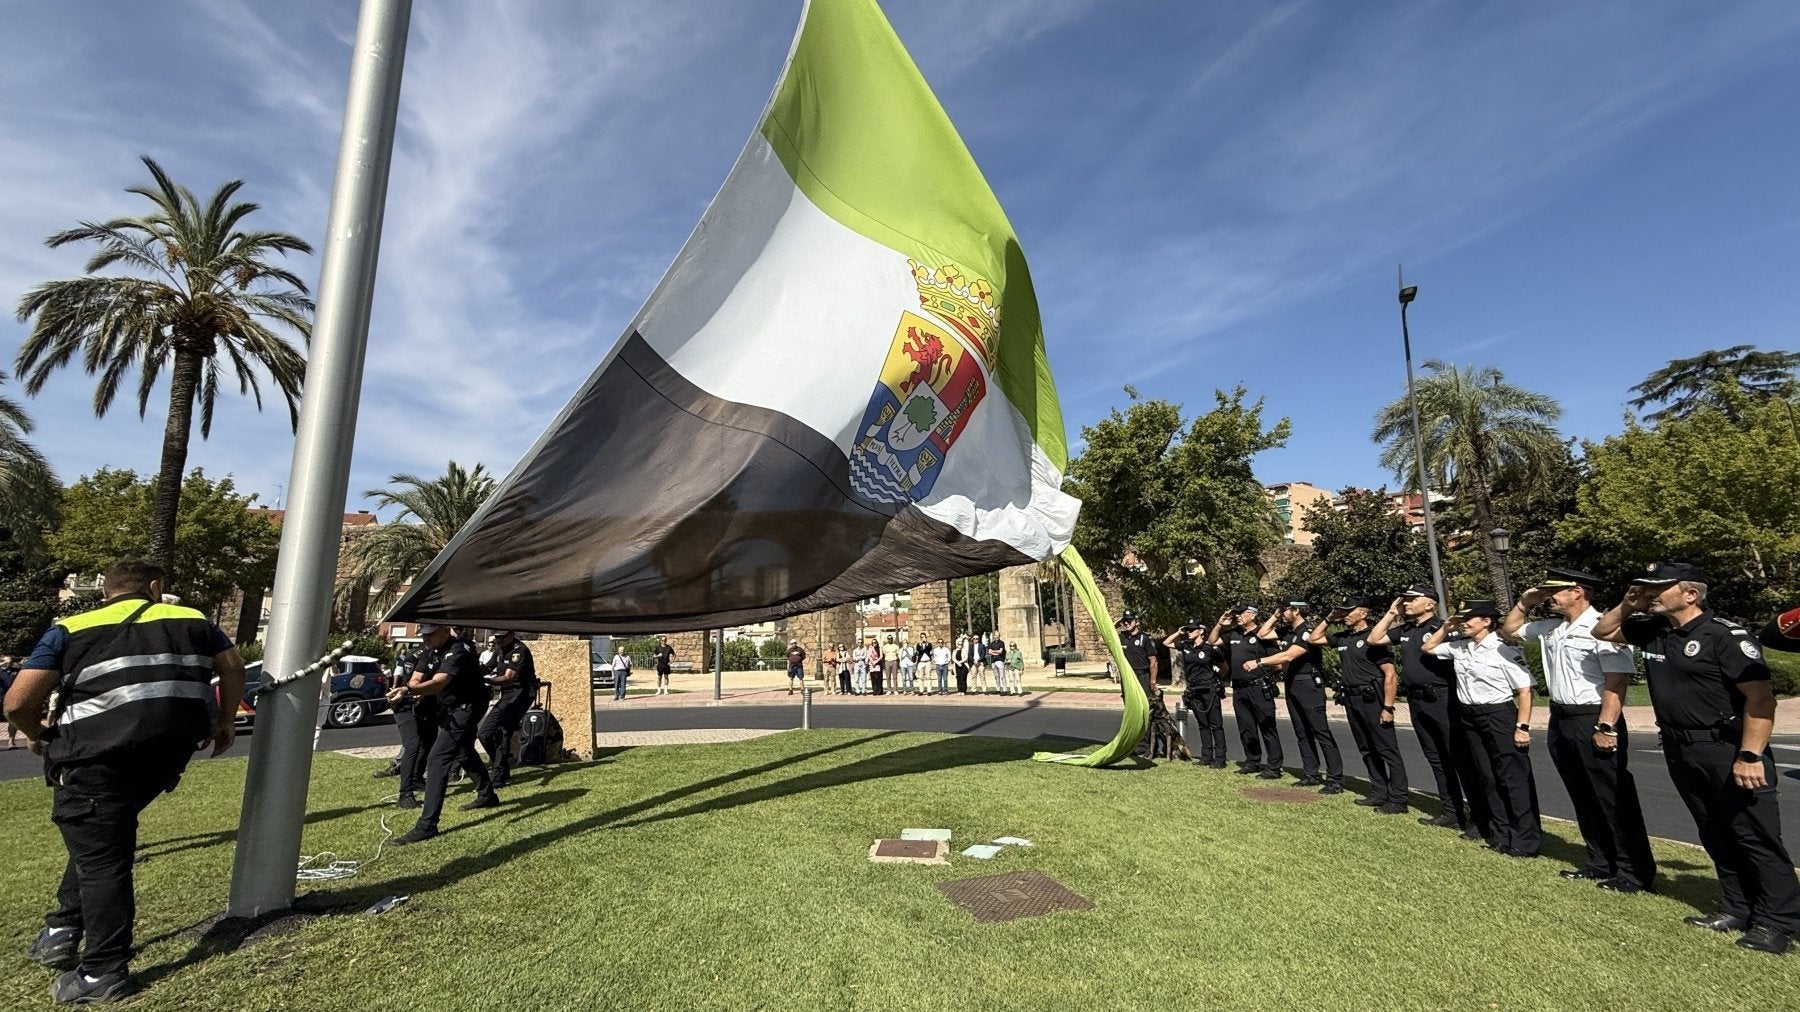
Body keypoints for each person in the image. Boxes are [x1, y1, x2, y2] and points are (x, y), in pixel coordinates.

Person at [6, 559, 243, 1004]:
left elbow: (18, 700)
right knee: (102, 841)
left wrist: (39, 736)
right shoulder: (193, 620)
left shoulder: (71, 627)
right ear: (154, 587)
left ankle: (102, 971)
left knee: (102, 861)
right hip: (163, 760)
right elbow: (232, 666)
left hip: (95, 761)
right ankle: (61, 927)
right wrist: (226, 720)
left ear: (106, 592)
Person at [1594, 562, 1798, 954]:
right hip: (1679, 746)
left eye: (1660, 587)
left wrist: (1750, 755)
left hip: (1727, 748)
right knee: (1714, 831)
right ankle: (1737, 907)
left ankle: (1777, 922)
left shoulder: (1724, 635)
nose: (1652, 593)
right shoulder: (1654, 630)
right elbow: (1601, 631)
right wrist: (1627, 602)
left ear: (1691, 594)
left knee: (1755, 835)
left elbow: (1761, 699)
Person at [1501, 567, 1656, 893]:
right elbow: (1509, 630)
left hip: (1593, 718)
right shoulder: (1553, 628)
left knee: (1614, 798)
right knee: (1582, 794)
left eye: (1555, 591)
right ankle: (1600, 861)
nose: (1549, 596)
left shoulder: (1603, 628)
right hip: (1562, 719)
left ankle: (1633, 871)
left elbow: (1617, 682)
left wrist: (1606, 726)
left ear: (1578, 591)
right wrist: (1524, 602)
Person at [1424, 601, 1540, 857]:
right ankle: (1499, 834)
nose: (1464, 622)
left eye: (1469, 618)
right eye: (1462, 619)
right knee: (1486, 776)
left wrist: (1522, 726)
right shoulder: (1460, 647)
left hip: (1499, 715)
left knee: (1511, 778)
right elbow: (1428, 647)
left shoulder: (1503, 650)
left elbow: (1525, 690)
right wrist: (1446, 626)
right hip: (1470, 716)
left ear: (1487, 621)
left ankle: (1526, 840)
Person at [1370, 584, 1480, 833]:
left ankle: (1478, 816)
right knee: (1437, 759)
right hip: (1417, 701)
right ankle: (1451, 812)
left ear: (1430, 604)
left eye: (1411, 599)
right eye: (1404, 599)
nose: (1406, 603)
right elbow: (1374, 639)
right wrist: (1390, 613)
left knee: (1459, 759)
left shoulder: (1443, 629)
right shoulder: (1407, 629)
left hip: (1443, 698)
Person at [391, 623, 500, 846]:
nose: (426, 639)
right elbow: (417, 676)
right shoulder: (431, 650)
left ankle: (427, 825)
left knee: (438, 758)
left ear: (444, 630)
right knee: (464, 751)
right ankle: (487, 795)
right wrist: (412, 687)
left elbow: (439, 683)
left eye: (430, 635)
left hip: (468, 706)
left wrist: (410, 691)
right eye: (424, 635)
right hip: (449, 707)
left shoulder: (458, 650)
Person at [1257, 601, 1344, 793]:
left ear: (1296, 610)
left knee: (1320, 732)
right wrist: (1275, 615)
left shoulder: (1307, 631)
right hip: (1292, 683)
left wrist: (1259, 662)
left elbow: (1288, 656)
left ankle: (1335, 779)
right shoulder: (1287, 631)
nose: (1281, 613)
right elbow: (1262, 634)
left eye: (1285, 609)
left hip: (1309, 684)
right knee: (1301, 732)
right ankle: (1310, 774)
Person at [1210, 604, 1282, 779]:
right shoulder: (1233, 634)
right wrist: (1220, 624)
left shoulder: (1263, 635)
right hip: (1239, 688)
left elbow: (1278, 664)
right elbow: (1212, 641)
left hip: (1258, 686)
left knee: (1267, 727)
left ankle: (1274, 767)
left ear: (1252, 615)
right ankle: (1252, 762)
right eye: (1236, 613)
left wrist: (1263, 675)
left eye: (1241, 613)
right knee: (1246, 728)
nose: (1237, 616)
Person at [475, 631, 536, 790]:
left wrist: (485, 681)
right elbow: (487, 667)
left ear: (511, 635)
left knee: (490, 731)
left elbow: (509, 677)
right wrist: (469, 671)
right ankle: (501, 772)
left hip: (519, 695)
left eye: (502, 637)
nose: (499, 640)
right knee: (499, 733)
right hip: (508, 694)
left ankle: (499, 773)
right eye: (497, 637)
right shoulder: (500, 650)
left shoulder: (519, 651)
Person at [1166, 621, 1226, 768]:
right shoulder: (1186, 645)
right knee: (1203, 724)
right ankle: (1206, 756)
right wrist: (1179, 633)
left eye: (1192, 630)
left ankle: (1220, 758)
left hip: (1209, 690)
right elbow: (1167, 643)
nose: (1189, 632)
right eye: (1188, 630)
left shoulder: (1210, 648)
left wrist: (1216, 679)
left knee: (1216, 725)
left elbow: (1224, 667)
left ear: (1201, 631)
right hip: (1194, 690)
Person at [1, 656, 19, 750]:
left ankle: (11, 742)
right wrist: (3, 663)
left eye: (10, 660)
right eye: (7, 660)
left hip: (11, 698)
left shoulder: (15, 670)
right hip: (0, 697)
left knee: (12, 720)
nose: (9, 662)